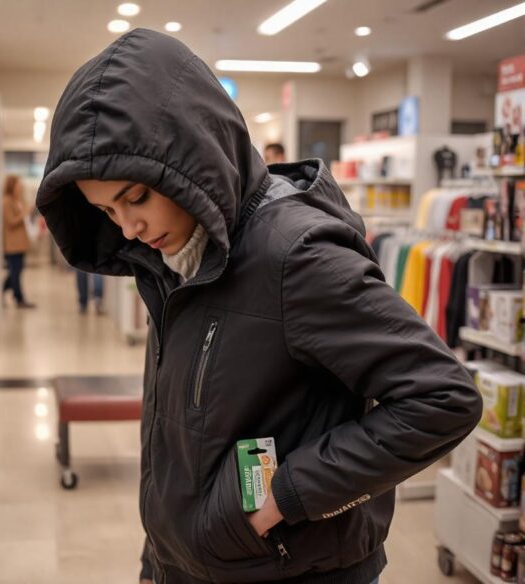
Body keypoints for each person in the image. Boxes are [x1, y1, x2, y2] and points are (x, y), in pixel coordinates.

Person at [37, 29, 481, 584]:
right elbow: (182, 429)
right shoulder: (170, 259)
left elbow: (442, 398)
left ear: (189, 157)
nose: (128, 226)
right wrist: (159, 560)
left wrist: (285, 496)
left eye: (136, 197)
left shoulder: (295, 256)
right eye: (106, 211)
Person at [2, 175, 36, 309]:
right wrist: (24, 214)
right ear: (12, 186)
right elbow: (10, 222)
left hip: (20, 244)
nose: (20, 187)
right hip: (12, 245)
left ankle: (4, 290)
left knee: (16, 271)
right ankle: (19, 298)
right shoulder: (6, 201)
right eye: (18, 185)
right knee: (15, 272)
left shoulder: (17, 201)